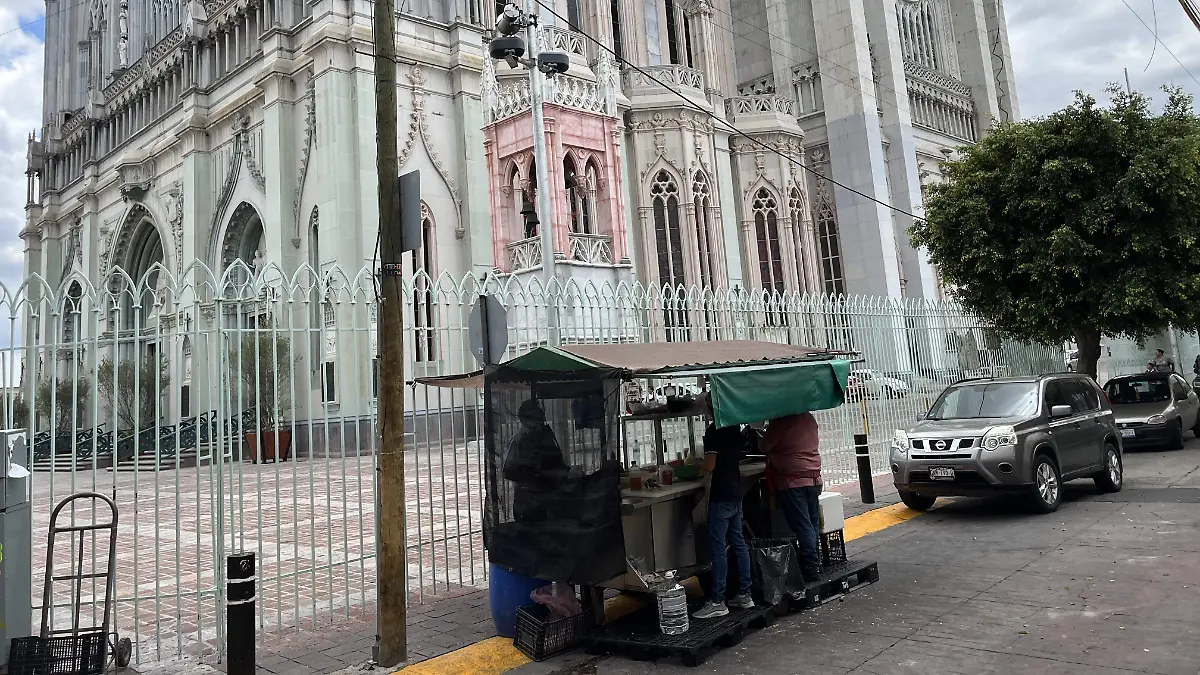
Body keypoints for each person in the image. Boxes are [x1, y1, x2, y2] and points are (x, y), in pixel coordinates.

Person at [693, 398, 754, 619]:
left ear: (712, 408)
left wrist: (695, 465)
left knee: (717, 547)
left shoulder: (714, 431)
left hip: (720, 495)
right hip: (735, 491)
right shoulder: (734, 428)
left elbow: (710, 465)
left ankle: (718, 600)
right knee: (738, 542)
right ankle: (744, 594)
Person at [761, 412, 823, 582]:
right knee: (812, 524)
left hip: (793, 481)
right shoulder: (809, 417)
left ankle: (811, 569)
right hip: (814, 478)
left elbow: (764, 446)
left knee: (803, 526)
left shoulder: (782, 420)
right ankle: (815, 564)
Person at [503, 399, 569, 522]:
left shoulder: (543, 437)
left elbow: (555, 462)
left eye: (541, 417)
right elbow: (510, 472)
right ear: (524, 419)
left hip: (547, 500)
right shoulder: (518, 441)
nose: (541, 421)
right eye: (536, 418)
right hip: (529, 503)